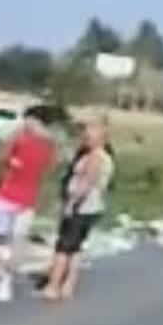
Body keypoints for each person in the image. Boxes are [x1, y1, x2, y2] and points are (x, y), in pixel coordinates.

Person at [0, 109, 57, 302]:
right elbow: (48, 169)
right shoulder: (48, 147)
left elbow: (0, 160)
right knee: (13, 244)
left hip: (7, 195)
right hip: (27, 200)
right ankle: (4, 283)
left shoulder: (19, 140)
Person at [42, 117, 115, 301]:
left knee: (64, 247)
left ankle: (53, 285)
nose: (85, 137)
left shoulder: (95, 157)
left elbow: (86, 182)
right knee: (75, 248)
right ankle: (69, 285)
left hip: (81, 207)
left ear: (101, 138)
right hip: (93, 207)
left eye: (89, 134)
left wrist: (71, 203)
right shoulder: (104, 157)